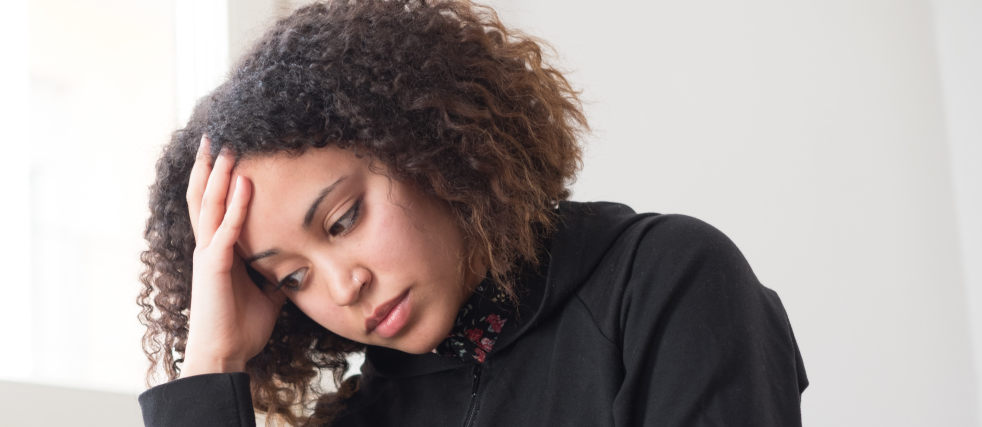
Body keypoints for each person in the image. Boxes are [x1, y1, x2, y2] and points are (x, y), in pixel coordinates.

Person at [135, 0, 807, 425]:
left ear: (425, 146)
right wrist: (211, 363)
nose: (344, 286)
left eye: (342, 220)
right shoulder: (370, 412)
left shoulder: (665, 282)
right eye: (292, 278)